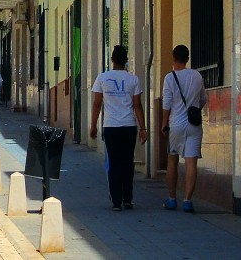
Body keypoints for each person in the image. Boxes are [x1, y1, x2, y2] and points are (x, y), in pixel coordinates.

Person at [89, 46, 147, 211]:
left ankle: (116, 201)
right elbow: (137, 105)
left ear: (112, 60)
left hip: (111, 127)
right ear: (126, 60)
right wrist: (143, 128)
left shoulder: (102, 78)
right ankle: (127, 199)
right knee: (128, 162)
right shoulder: (133, 79)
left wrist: (93, 125)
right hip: (129, 127)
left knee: (114, 163)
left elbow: (97, 104)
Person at [161, 44, 208, 213]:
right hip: (194, 125)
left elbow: (166, 103)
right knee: (191, 162)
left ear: (174, 58)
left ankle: (172, 199)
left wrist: (164, 123)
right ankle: (188, 200)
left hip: (175, 125)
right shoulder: (196, 75)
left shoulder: (169, 78)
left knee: (172, 160)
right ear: (187, 59)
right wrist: (194, 110)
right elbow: (203, 99)